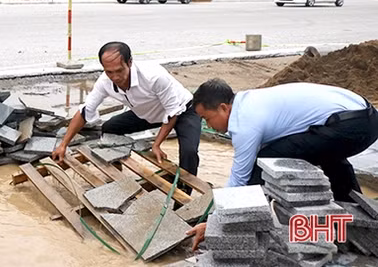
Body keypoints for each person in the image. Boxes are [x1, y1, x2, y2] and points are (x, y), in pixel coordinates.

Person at [186, 78, 378, 250]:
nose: (208, 126)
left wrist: (215, 222)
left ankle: (243, 227)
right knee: (327, 154)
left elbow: (240, 177)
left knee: (265, 160)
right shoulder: (248, 101)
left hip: (351, 125)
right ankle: (355, 215)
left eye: (207, 119)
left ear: (223, 108)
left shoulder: (244, 123)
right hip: (367, 118)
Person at [51, 41, 201, 180]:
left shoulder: (154, 76)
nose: (115, 77)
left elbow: (172, 112)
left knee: (189, 152)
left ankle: (183, 195)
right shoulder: (104, 82)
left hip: (182, 111)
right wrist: (63, 145)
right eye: (109, 72)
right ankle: (115, 171)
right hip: (147, 112)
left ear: (130, 62)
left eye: (119, 70)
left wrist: (156, 144)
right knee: (110, 128)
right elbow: (85, 111)